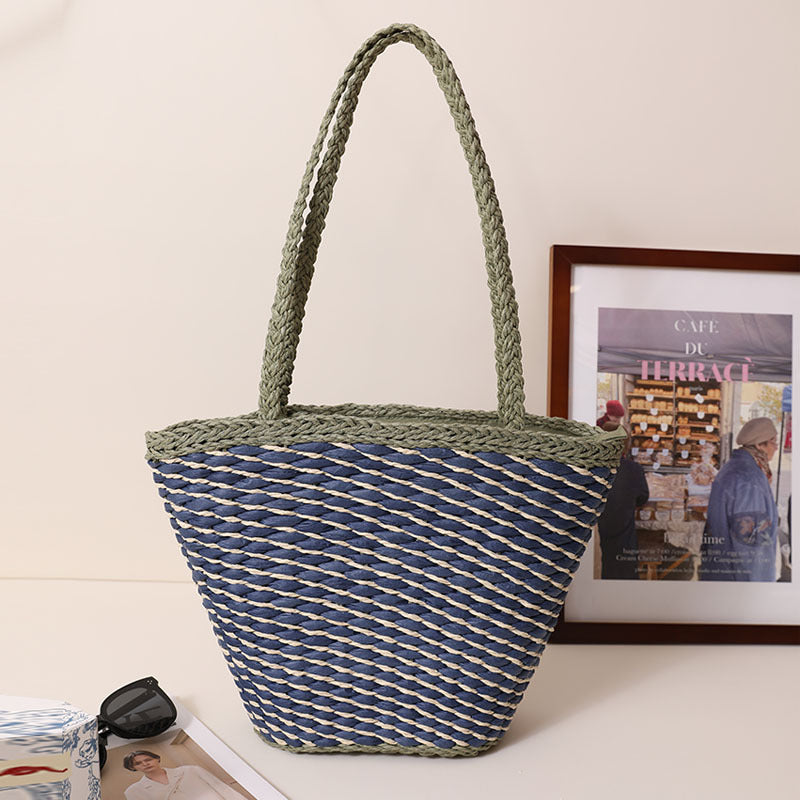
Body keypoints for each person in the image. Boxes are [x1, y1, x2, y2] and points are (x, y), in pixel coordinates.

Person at [699, 417, 780, 582]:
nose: (776, 447)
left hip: (723, 574)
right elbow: (751, 549)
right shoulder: (749, 480)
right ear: (759, 445)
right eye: (773, 441)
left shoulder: (736, 466)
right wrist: (757, 589)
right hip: (737, 581)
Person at [596, 423, 649, 579]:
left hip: (598, 540)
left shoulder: (592, 469)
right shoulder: (634, 469)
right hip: (625, 540)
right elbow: (643, 498)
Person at [123, 750, 247, 800]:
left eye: (148, 760)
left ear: (157, 759)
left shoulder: (191, 770)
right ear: (133, 768)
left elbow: (223, 789)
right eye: (138, 763)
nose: (145, 764)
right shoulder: (134, 791)